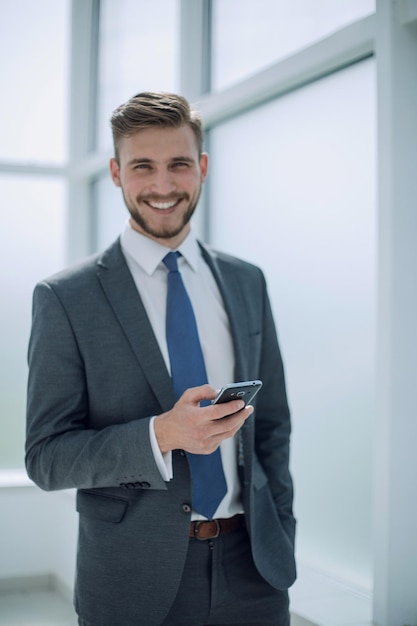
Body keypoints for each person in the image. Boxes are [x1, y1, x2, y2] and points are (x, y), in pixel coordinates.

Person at [25, 92, 296, 626]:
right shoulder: (66, 298)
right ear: (116, 173)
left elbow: (274, 427)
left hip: (255, 571)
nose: (164, 185)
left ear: (203, 168)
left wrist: (281, 528)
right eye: (142, 166)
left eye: (178, 164)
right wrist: (162, 435)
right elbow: (46, 456)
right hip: (133, 580)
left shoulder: (246, 281)